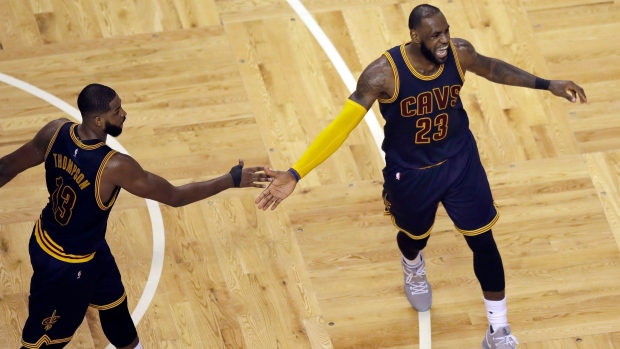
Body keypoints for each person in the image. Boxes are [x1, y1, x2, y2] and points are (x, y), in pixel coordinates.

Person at [255, 4, 587, 349]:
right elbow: (342, 126)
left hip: (460, 162)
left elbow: (492, 68)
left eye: (446, 31)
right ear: (415, 37)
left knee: (483, 241)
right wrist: (296, 172)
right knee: (414, 238)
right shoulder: (383, 75)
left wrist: (547, 84)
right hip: (411, 173)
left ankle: (498, 330)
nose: (444, 40)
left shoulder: (459, 53)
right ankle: (412, 264)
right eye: (435, 36)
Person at [0, 83, 271, 349]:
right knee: (42, 343)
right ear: (98, 120)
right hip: (65, 266)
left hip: (72, 243)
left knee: (115, 307)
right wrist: (231, 180)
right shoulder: (115, 166)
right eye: (116, 111)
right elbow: (175, 197)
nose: (123, 114)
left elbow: (6, 167)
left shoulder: (55, 131)